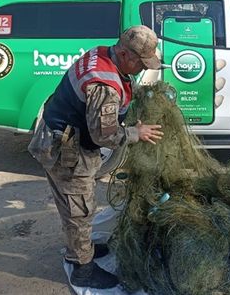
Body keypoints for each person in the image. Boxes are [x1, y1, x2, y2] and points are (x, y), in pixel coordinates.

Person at [28, 26, 164, 288]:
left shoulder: (103, 53)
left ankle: (83, 249)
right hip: (66, 150)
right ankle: (82, 267)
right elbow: (105, 135)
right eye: (141, 63)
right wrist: (135, 132)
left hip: (63, 132)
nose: (143, 69)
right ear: (124, 54)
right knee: (79, 209)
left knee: (77, 206)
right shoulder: (103, 85)